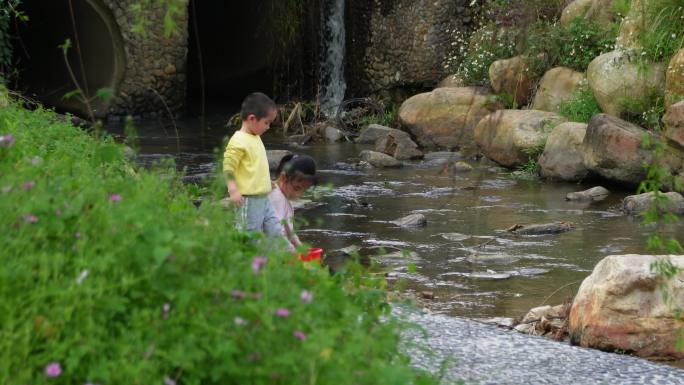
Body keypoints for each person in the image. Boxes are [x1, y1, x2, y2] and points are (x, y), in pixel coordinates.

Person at [222, 92, 280, 236]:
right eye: (266, 122)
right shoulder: (238, 141)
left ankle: (279, 256)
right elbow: (228, 167)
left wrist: (267, 182)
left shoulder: (255, 136)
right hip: (248, 200)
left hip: (264, 198)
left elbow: (255, 166)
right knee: (250, 234)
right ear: (252, 119)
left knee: (275, 230)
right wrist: (233, 190)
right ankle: (246, 257)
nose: (268, 127)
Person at [269, 154, 317, 252]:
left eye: (304, 190)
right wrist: (293, 252)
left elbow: (289, 231)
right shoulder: (276, 197)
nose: (299, 194)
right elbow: (276, 232)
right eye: (297, 188)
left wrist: (299, 246)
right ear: (283, 178)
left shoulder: (286, 198)